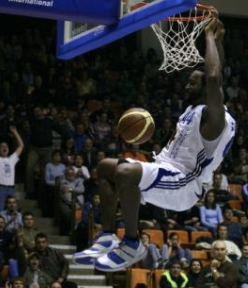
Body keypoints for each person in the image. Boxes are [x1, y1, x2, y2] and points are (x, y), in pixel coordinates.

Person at [74, 15, 237, 271]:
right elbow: (213, 78)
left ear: (206, 88)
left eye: (193, 83)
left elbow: (215, 79)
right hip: (167, 170)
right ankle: (107, 235)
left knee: (125, 172)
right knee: (105, 167)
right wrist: (218, 42)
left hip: (185, 183)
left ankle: (131, 243)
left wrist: (206, 37)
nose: (186, 85)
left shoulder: (214, 120)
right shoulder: (194, 111)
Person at [0, 126, 24, 211]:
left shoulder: (11, 159)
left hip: (11, 189)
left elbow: (21, 146)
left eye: (6, 146)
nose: (4, 148)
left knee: (13, 211)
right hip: (1, 188)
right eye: (2, 146)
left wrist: (15, 132)